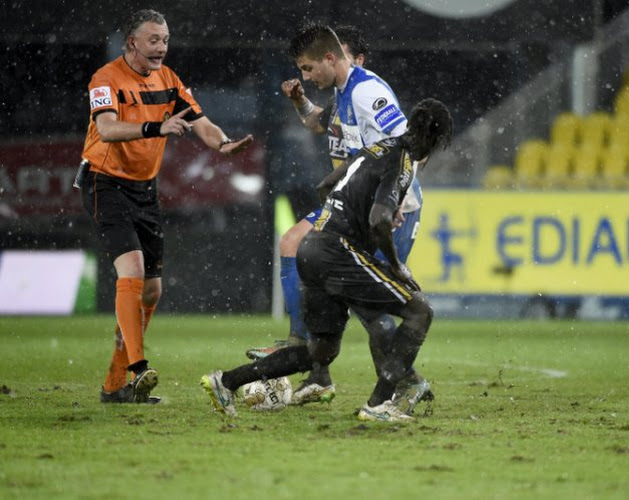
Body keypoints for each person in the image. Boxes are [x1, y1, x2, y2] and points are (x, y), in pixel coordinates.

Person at [201, 98, 454, 421]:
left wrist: (350, 218)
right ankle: (379, 406)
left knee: (319, 351)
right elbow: (379, 219)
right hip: (337, 251)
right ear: (435, 140)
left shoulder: (376, 148)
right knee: (419, 311)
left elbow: (326, 186)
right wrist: (395, 264)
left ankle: (226, 381)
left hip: (312, 248)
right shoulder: (403, 162)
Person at [246, 23, 430, 412]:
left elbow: (410, 147)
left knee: (370, 306)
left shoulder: (366, 92)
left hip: (385, 211)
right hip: (350, 204)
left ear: (332, 58)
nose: (306, 77)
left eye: (308, 69)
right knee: (297, 246)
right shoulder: (342, 93)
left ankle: (404, 383)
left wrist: (391, 200)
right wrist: (298, 101)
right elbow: (317, 121)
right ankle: (310, 359)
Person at [79, 9, 252, 404]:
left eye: (165, 39)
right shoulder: (105, 79)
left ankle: (114, 385)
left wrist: (224, 144)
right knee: (133, 270)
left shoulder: (168, 79)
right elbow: (106, 129)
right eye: (153, 39)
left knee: (152, 291)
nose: (161, 47)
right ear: (132, 43)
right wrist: (158, 127)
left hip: (144, 189)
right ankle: (139, 368)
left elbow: (202, 123)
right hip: (104, 182)